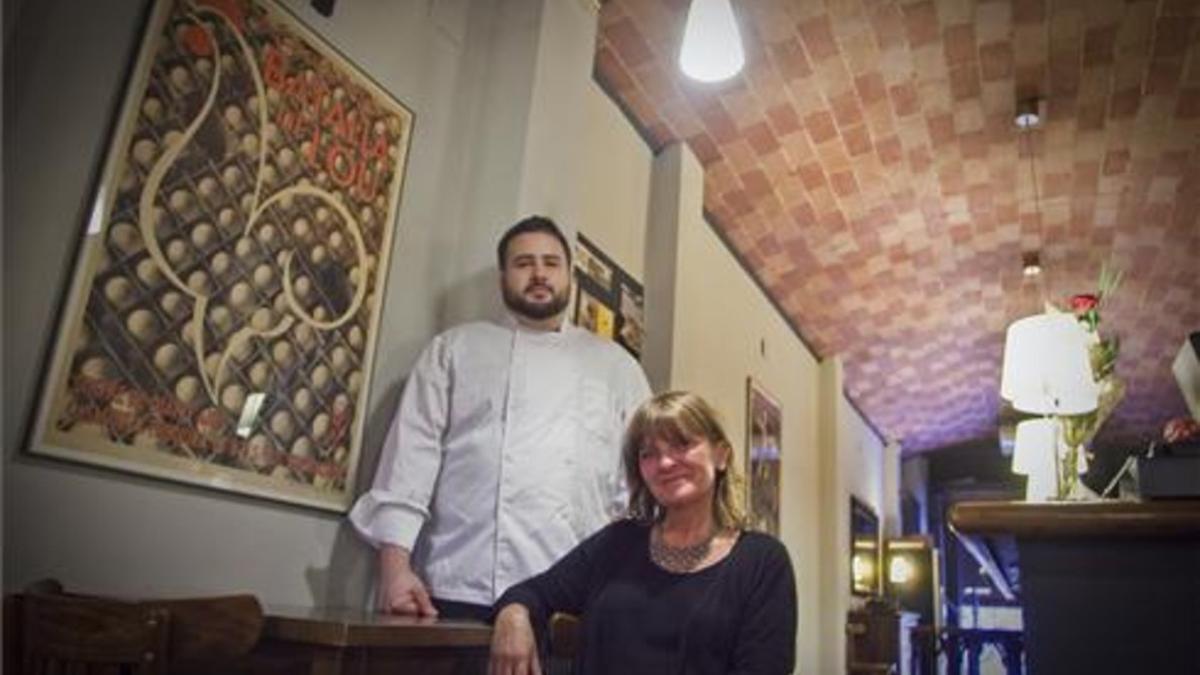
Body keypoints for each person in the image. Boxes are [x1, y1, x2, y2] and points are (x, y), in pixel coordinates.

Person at [348, 215, 651, 621]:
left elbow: (639, 485)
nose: (539, 273)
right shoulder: (455, 350)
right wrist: (394, 568)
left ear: (570, 275)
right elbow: (411, 460)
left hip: (575, 598)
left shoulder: (617, 367)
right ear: (502, 277)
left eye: (551, 263)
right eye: (524, 263)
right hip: (460, 584)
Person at [490, 391, 797, 675]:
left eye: (682, 444)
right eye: (648, 453)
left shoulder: (762, 561)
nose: (664, 463)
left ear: (721, 456)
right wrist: (514, 615)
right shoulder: (617, 542)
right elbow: (533, 593)